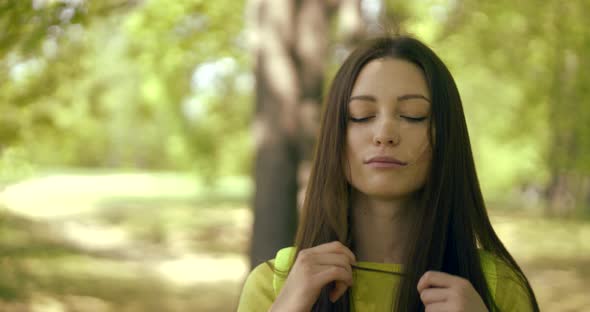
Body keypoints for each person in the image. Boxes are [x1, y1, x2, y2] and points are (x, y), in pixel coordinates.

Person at [237, 35, 540, 312]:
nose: (384, 134)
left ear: (447, 138)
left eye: (413, 115)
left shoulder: (498, 287)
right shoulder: (274, 284)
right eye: (362, 116)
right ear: (335, 136)